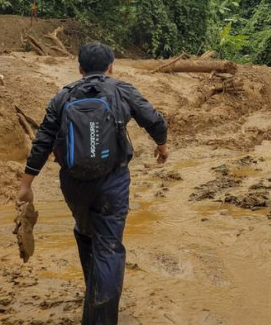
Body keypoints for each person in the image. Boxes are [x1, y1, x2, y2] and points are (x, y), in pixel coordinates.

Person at [16, 42, 169, 325]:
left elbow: (42, 142)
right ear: (111, 67)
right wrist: (162, 147)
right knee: (109, 247)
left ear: (80, 69)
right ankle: (100, 319)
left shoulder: (62, 97)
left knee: (85, 232)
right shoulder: (122, 90)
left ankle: (93, 294)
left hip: (73, 184)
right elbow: (155, 121)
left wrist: (26, 184)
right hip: (113, 182)